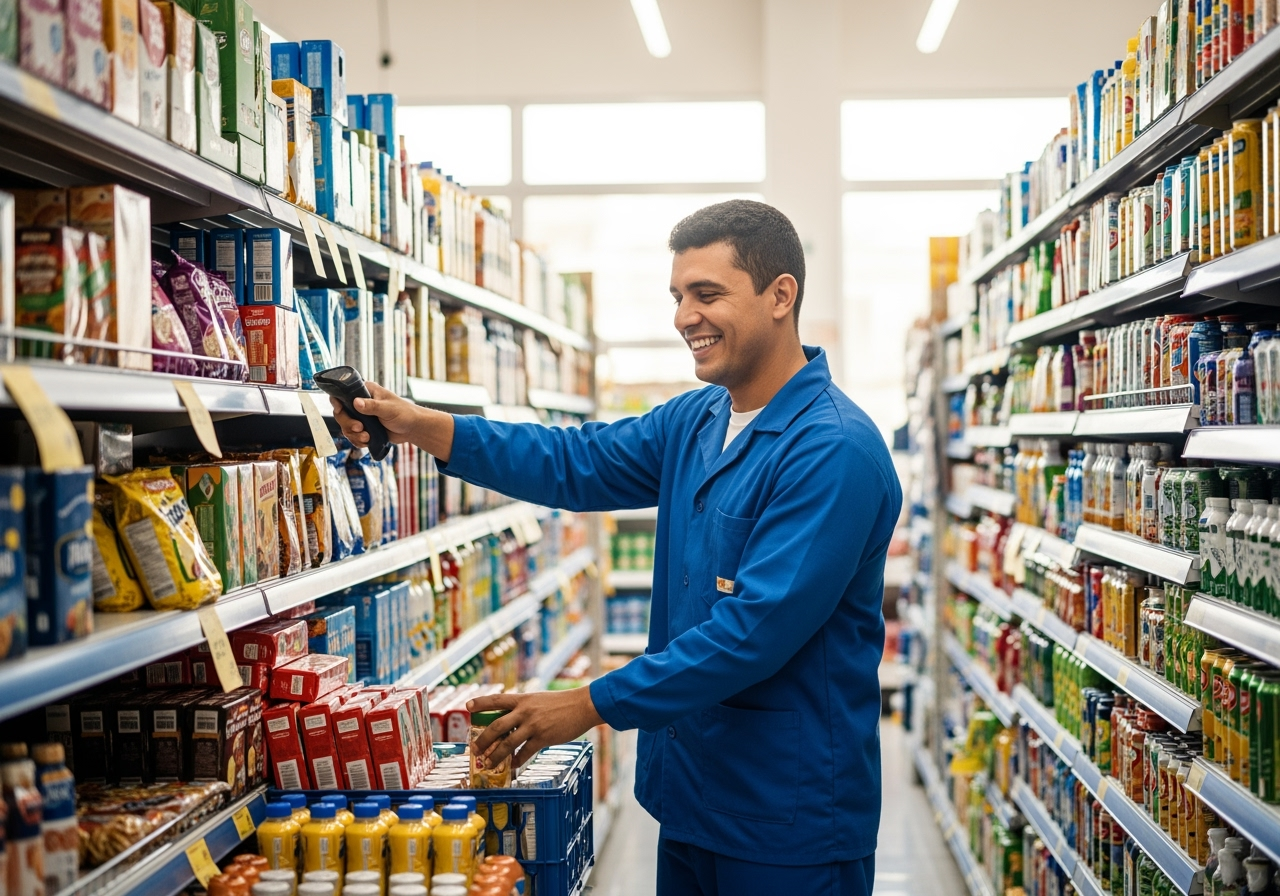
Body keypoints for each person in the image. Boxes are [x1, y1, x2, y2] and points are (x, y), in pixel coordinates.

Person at [331, 199, 902, 895]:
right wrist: (421, 425)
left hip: (789, 816)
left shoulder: (832, 450)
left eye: (707, 293)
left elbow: (751, 634)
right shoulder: (699, 418)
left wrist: (585, 704)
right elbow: (574, 461)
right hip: (692, 794)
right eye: (677, 295)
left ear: (781, 295)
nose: (684, 316)